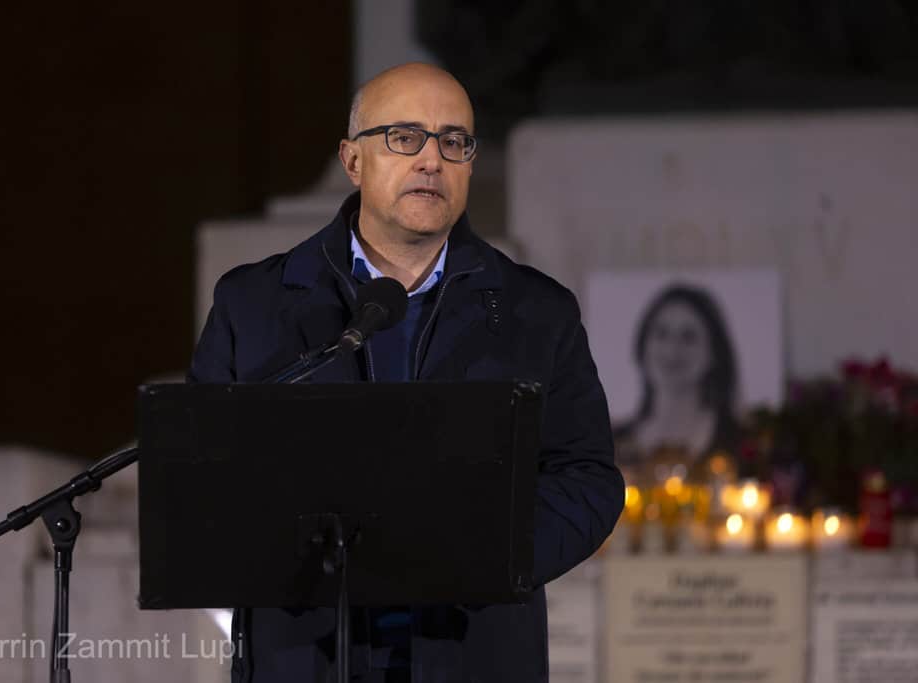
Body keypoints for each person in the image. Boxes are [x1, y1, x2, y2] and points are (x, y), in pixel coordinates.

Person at [189, 62, 623, 683]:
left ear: (470, 164)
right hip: (304, 653)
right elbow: (203, 472)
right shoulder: (254, 304)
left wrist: (486, 558)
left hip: (472, 650)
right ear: (353, 160)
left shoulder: (537, 311)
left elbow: (586, 478)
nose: (431, 160)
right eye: (404, 137)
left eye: (454, 142)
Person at [614, 284, 741, 464]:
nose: (672, 350)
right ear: (643, 345)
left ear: (714, 353)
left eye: (688, 337)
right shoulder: (611, 442)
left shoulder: (741, 443)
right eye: (661, 334)